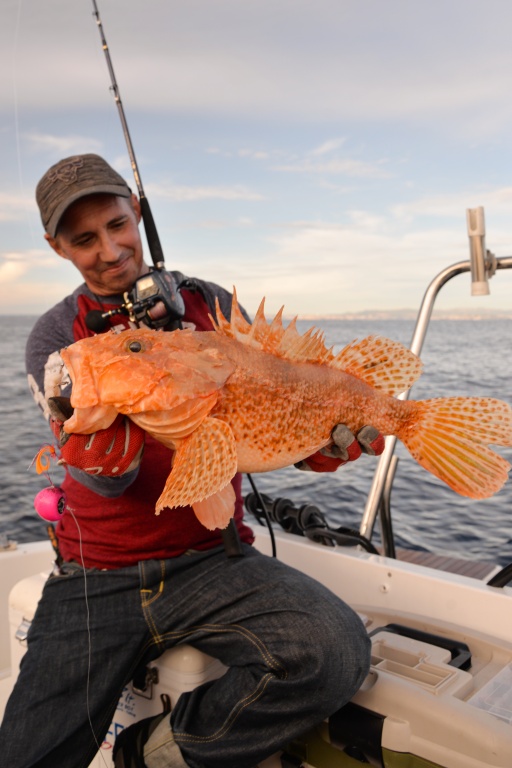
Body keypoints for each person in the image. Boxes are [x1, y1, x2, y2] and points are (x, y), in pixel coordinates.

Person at [0, 154, 384, 768]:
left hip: (215, 558)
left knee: (335, 651)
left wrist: (324, 448)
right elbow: (105, 475)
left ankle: (150, 755)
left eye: (118, 225)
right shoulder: (58, 342)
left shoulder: (212, 307)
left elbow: (277, 415)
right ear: (56, 247)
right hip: (100, 573)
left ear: (139, 215)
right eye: (84, 239)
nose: (109, 249)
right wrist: (100, 452)